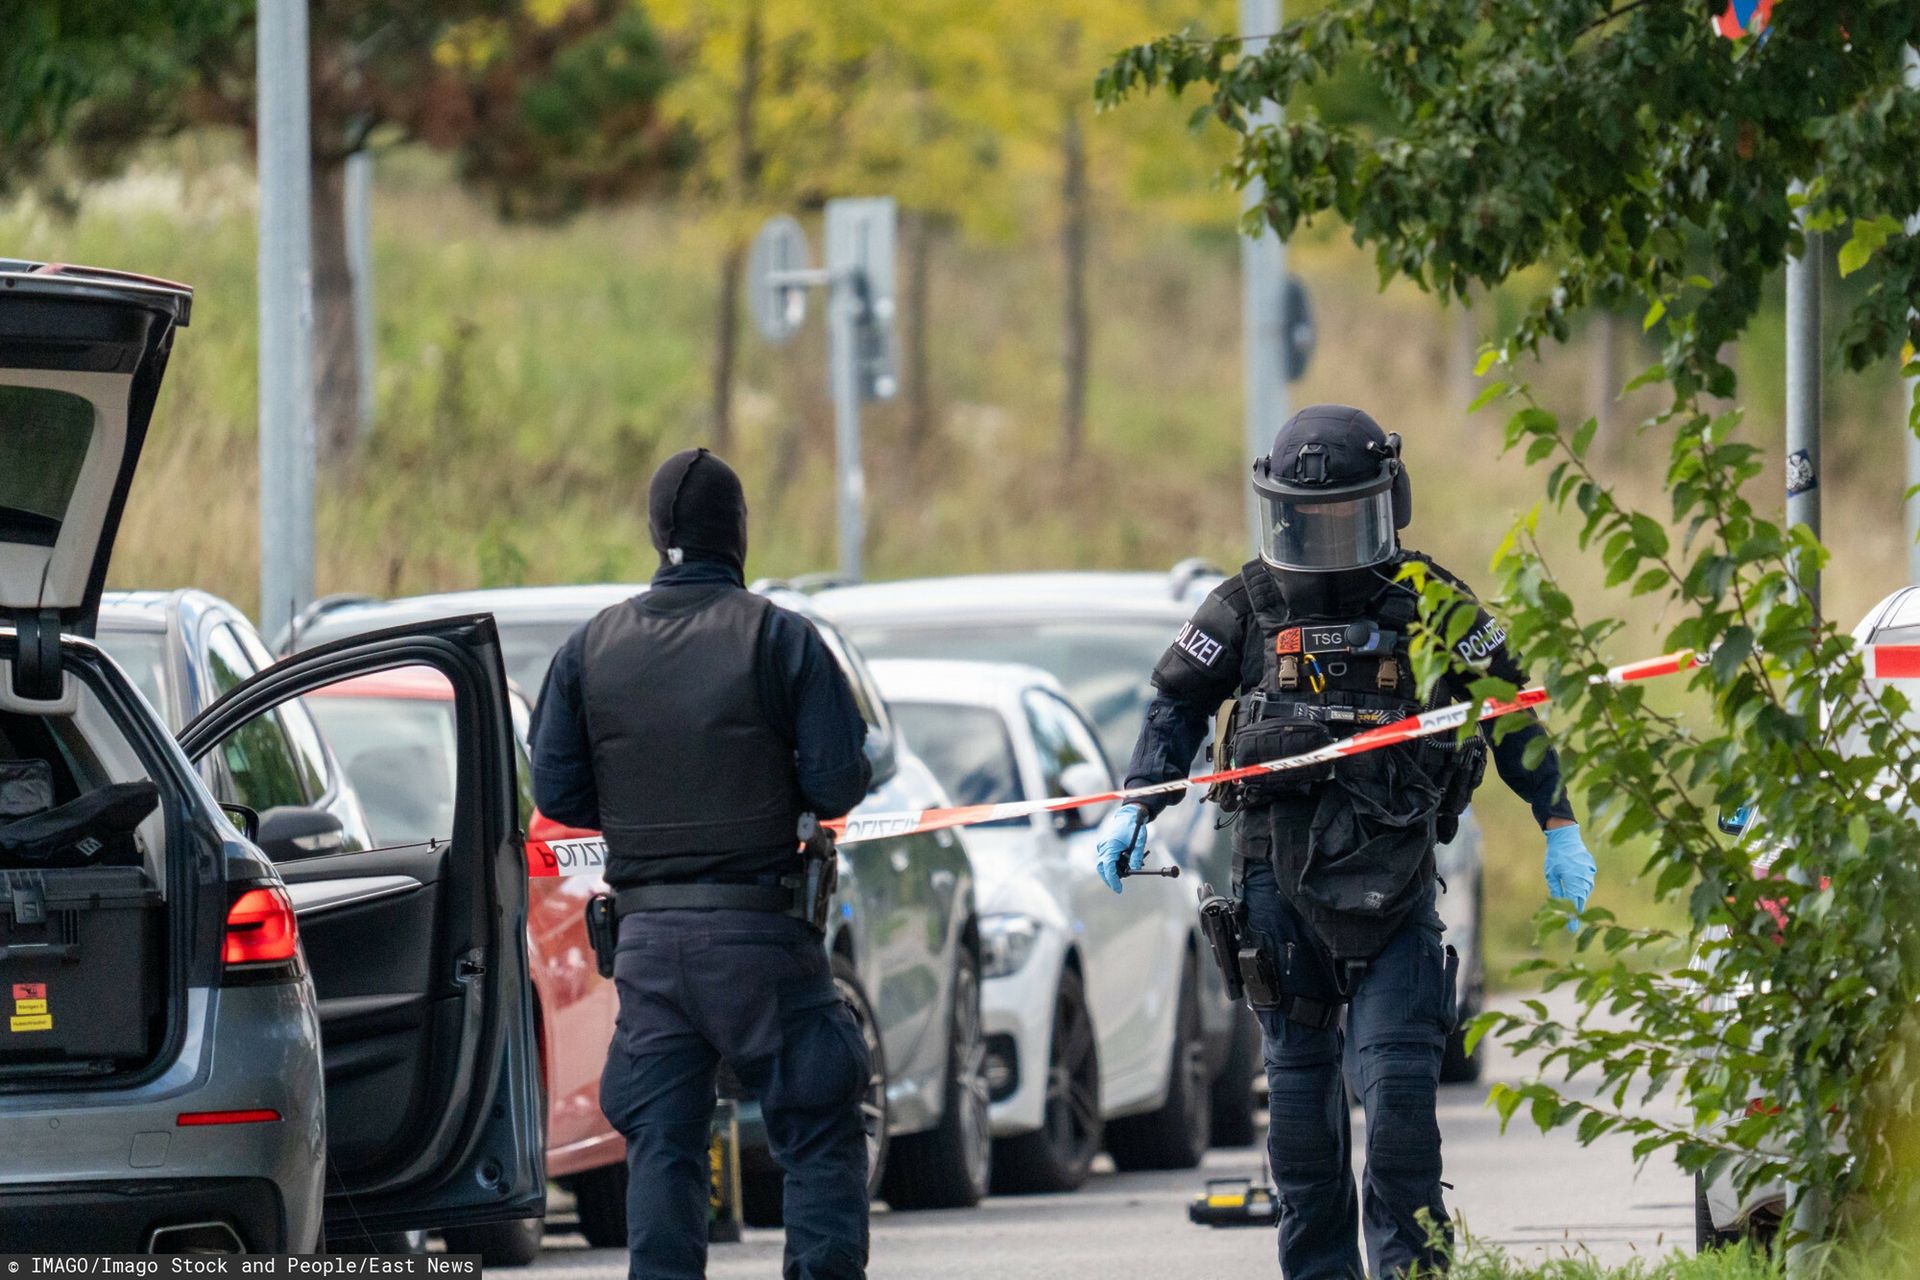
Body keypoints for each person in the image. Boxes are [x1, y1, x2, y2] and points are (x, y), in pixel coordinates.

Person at [1097, 405, 1596, 1279]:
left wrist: (1557, 818)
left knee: (1402, 1110)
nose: (1326, 541)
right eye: (1308, 520)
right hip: (1277, 896)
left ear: (1386, 503)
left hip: (1395, 890)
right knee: (1298, 1122)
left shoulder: (1429, 599)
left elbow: (1510, 706)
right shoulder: (1245, 603)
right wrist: (1137, 802)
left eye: (1343, 519)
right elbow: (1175, 702)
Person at [531, 447, 875, 1280]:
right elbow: (840, 780)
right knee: (821, 1130)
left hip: (648, 945)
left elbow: (558, 793)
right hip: (764, 939)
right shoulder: (781, 638)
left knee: (661, 1145)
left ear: (658, 533)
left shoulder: (591, 649)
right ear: (738, 535)